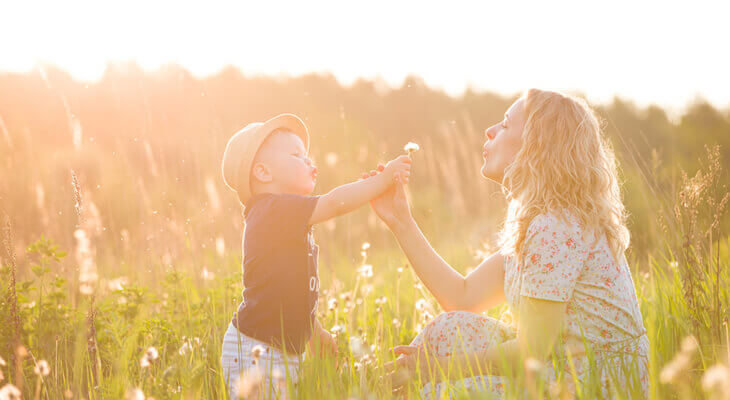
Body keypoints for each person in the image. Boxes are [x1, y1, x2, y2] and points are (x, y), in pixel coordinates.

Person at [366, 89, 649, 399]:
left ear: (535, 145)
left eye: (503, 124)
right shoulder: (541, 222)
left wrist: (437, 369)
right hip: (567, 372)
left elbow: (530, 354)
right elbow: (463, 297)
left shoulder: (557, 227)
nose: (489, 131)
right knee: (449, 328)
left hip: (597, 386)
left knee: (448, 388)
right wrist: (400, 221)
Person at [219, 113, 411, 399]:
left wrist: (314, 330)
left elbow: (289, 291)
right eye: (297, 155)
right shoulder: (271, 210)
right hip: (255, 348)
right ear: (263, 173)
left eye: (308, 154)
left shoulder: (284, 217)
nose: (309, 161)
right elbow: (333, 203)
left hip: (280, 347)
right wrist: (382, 180)